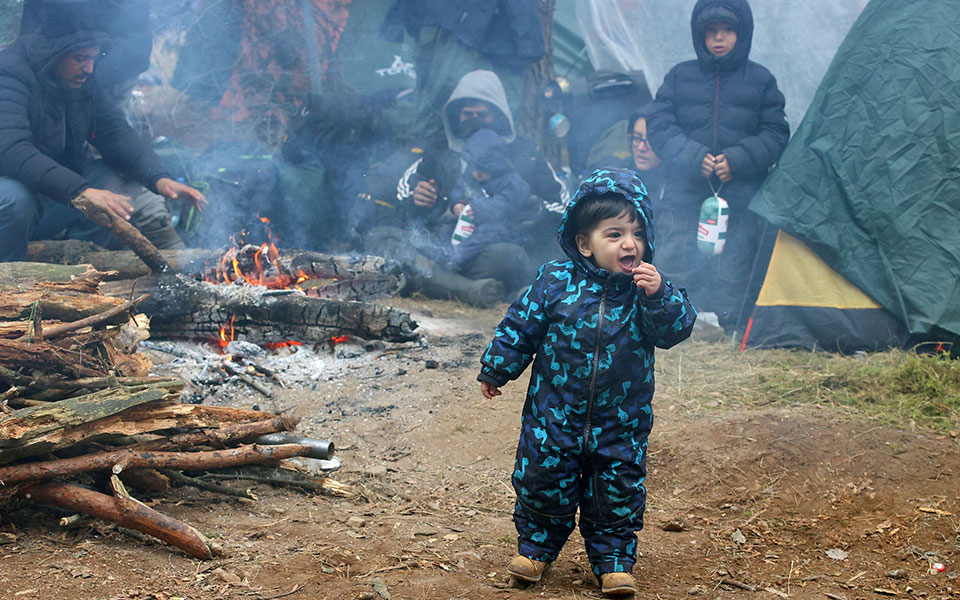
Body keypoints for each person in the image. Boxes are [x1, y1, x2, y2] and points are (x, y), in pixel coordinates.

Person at [477, 167, 696, 596]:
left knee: (616, 491)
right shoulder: (554, 281)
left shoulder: (645, 290)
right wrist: (497, 367)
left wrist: (661, 295)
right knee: (543, 481)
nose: (629, 243)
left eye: (637, 233)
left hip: (621, 422)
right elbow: (521, 326)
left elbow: (674, 331)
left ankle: (613, 561)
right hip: (553, 416)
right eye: (614, 234)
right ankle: (536, 550)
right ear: (585, 243)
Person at [0, 4, 206, 261]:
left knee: (112, 182)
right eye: (80, 59)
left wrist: (159, 177)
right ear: (55, 53)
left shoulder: (81, 80)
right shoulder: (9, 72)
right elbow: (11, 149)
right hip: (10, 193)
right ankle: (8, 283)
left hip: (45, 190)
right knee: (16, 200)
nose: (89, 68)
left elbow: (114, 131)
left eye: (93, 59)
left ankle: (74, 268)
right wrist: (79, 191)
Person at [359, 69, 569, 306]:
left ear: (499, 115)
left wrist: (529, 211)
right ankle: (469, 290)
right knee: (380, 238)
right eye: (466, 114)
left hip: (487, 253)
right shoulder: (439, 151)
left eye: (482, 114)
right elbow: (404, 196)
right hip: (438, 246)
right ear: (454, 116)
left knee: (510, 258)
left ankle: (425, 281)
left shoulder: (524, 154)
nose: (474, 120)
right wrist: (418, 201)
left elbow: (561, 205)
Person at [645, 0, 789, 334]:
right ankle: (670, 323)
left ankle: (732, 324)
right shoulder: (680, 77)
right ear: (700, 35)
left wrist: (738, 160)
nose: (719, 38)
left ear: (743, 33)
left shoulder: (761, 79)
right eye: (711, 31)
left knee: (735, 263)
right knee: (678, 260)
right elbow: (660, 125)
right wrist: (693, 157)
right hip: (686, 193)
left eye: (727, 30)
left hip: (739, 196)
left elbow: (776, 132)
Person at [446, 128, 540, 295]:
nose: (477, 173)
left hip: (502, 228)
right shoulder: (472, 175)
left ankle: (455, 259)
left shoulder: (512, 182)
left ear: (496, 165)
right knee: (446, 229)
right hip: (468, 225)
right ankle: (442, 255)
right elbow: (459, 190)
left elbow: (506, 205)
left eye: (483, 169)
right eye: (474, 168)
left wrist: (478, 209)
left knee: (487, 233)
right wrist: (457, 204)